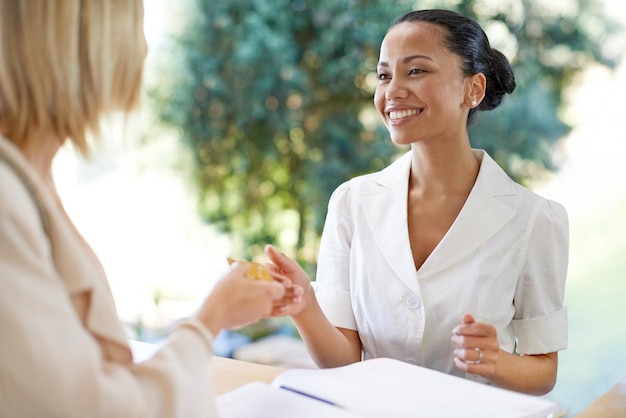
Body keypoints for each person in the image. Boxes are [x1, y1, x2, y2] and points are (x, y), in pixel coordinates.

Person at [0, 1, 301, 417]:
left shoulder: (32, 178)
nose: (143, 50)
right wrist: (210, 319)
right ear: (85, 40)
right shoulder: (8, 200)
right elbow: (89, 407)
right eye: (137, 25)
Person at [266, 9, 568, 396]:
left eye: (416, 71)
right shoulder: (352, 203)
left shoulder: (534, 220)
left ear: (472, 89)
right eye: (384, 75)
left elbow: (543, 372)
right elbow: (341, 361)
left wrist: (496, 361)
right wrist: (304, 304)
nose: (392, 91)